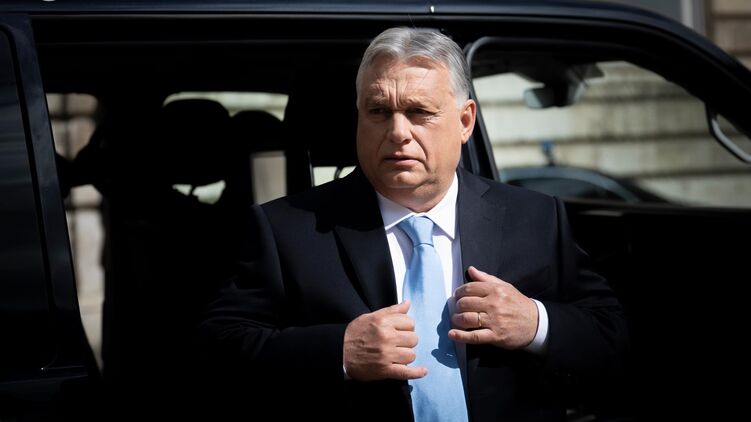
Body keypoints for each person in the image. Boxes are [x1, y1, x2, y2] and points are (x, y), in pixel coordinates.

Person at [198, 27, 627, 421]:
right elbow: (217, 351)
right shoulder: (287, 229)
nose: (398, 132)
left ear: (465, 121)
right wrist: (339, 352)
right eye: (379, 111)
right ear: (359, 117)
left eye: (419, 111)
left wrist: (534, 322)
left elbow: (613, 340)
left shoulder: (535, 218)